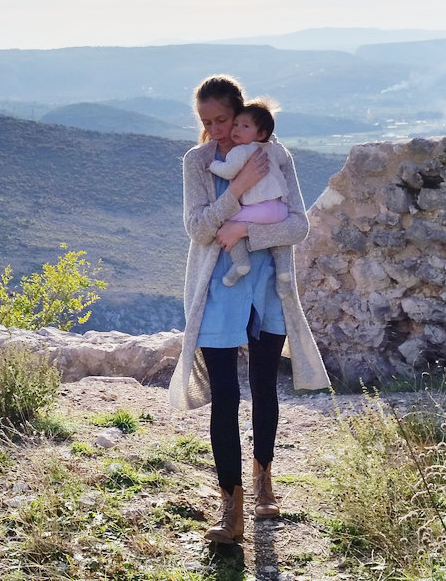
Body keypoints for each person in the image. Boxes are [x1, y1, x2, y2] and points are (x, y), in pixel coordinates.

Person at [167, 74, 330, 546]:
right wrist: (237, 189)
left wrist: (244, 234)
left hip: (268, 287)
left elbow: (297, 226)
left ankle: (263, 480)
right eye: (206, 121)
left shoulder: (276, 154)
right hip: (217, 290)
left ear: (241, 116)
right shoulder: (196, 163)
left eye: (223, 119)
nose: (216, 129)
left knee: (263, 386)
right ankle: (230, 505)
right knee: (224, 394)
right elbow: (198, 229)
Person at [207, 98, 294, 297]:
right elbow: (283, 158)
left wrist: (212, 166)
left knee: (229, 223)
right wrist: (270, 141)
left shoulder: (241, 151)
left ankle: (241, 263)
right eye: (236, 124)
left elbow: (229, 171)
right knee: (281, 239)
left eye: (245, 126)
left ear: (261, 133)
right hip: (280, 208)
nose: (237, 129)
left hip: (258, 209)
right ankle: (283, 271)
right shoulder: (272, 149)